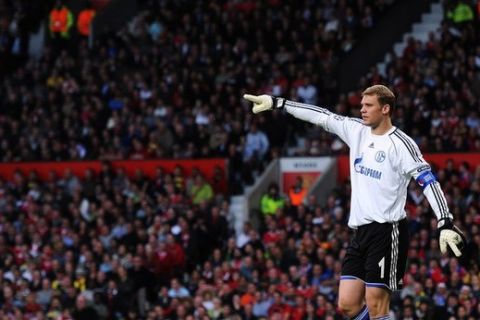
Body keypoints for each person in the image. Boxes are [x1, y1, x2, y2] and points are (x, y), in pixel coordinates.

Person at [243, 84, 466, 319]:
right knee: (347, 304)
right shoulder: (356, 130)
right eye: (361, 105)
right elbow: (322, 116)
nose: (362, 110)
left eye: (368, 105)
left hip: (387, 232)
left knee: (377, 305)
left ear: (386, 109)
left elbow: (428, 181)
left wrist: (445, 221)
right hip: (360, 232)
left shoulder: (401, 144)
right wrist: (280, 103)